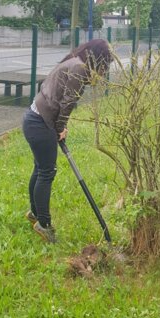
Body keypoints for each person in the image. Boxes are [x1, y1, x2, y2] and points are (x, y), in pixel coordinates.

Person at [22, 39, 113, 243]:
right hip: (40, 123)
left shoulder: (73, 61)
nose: (104, 68)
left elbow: (61, 97)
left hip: (33, 118)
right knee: (47, 172)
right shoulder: (79, 69)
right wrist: (61, 127)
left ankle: (35, 214)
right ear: (97, 57)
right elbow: (68, 102)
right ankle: (44, 224)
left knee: (40, 169)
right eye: (105, 62)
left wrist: (59, 126)